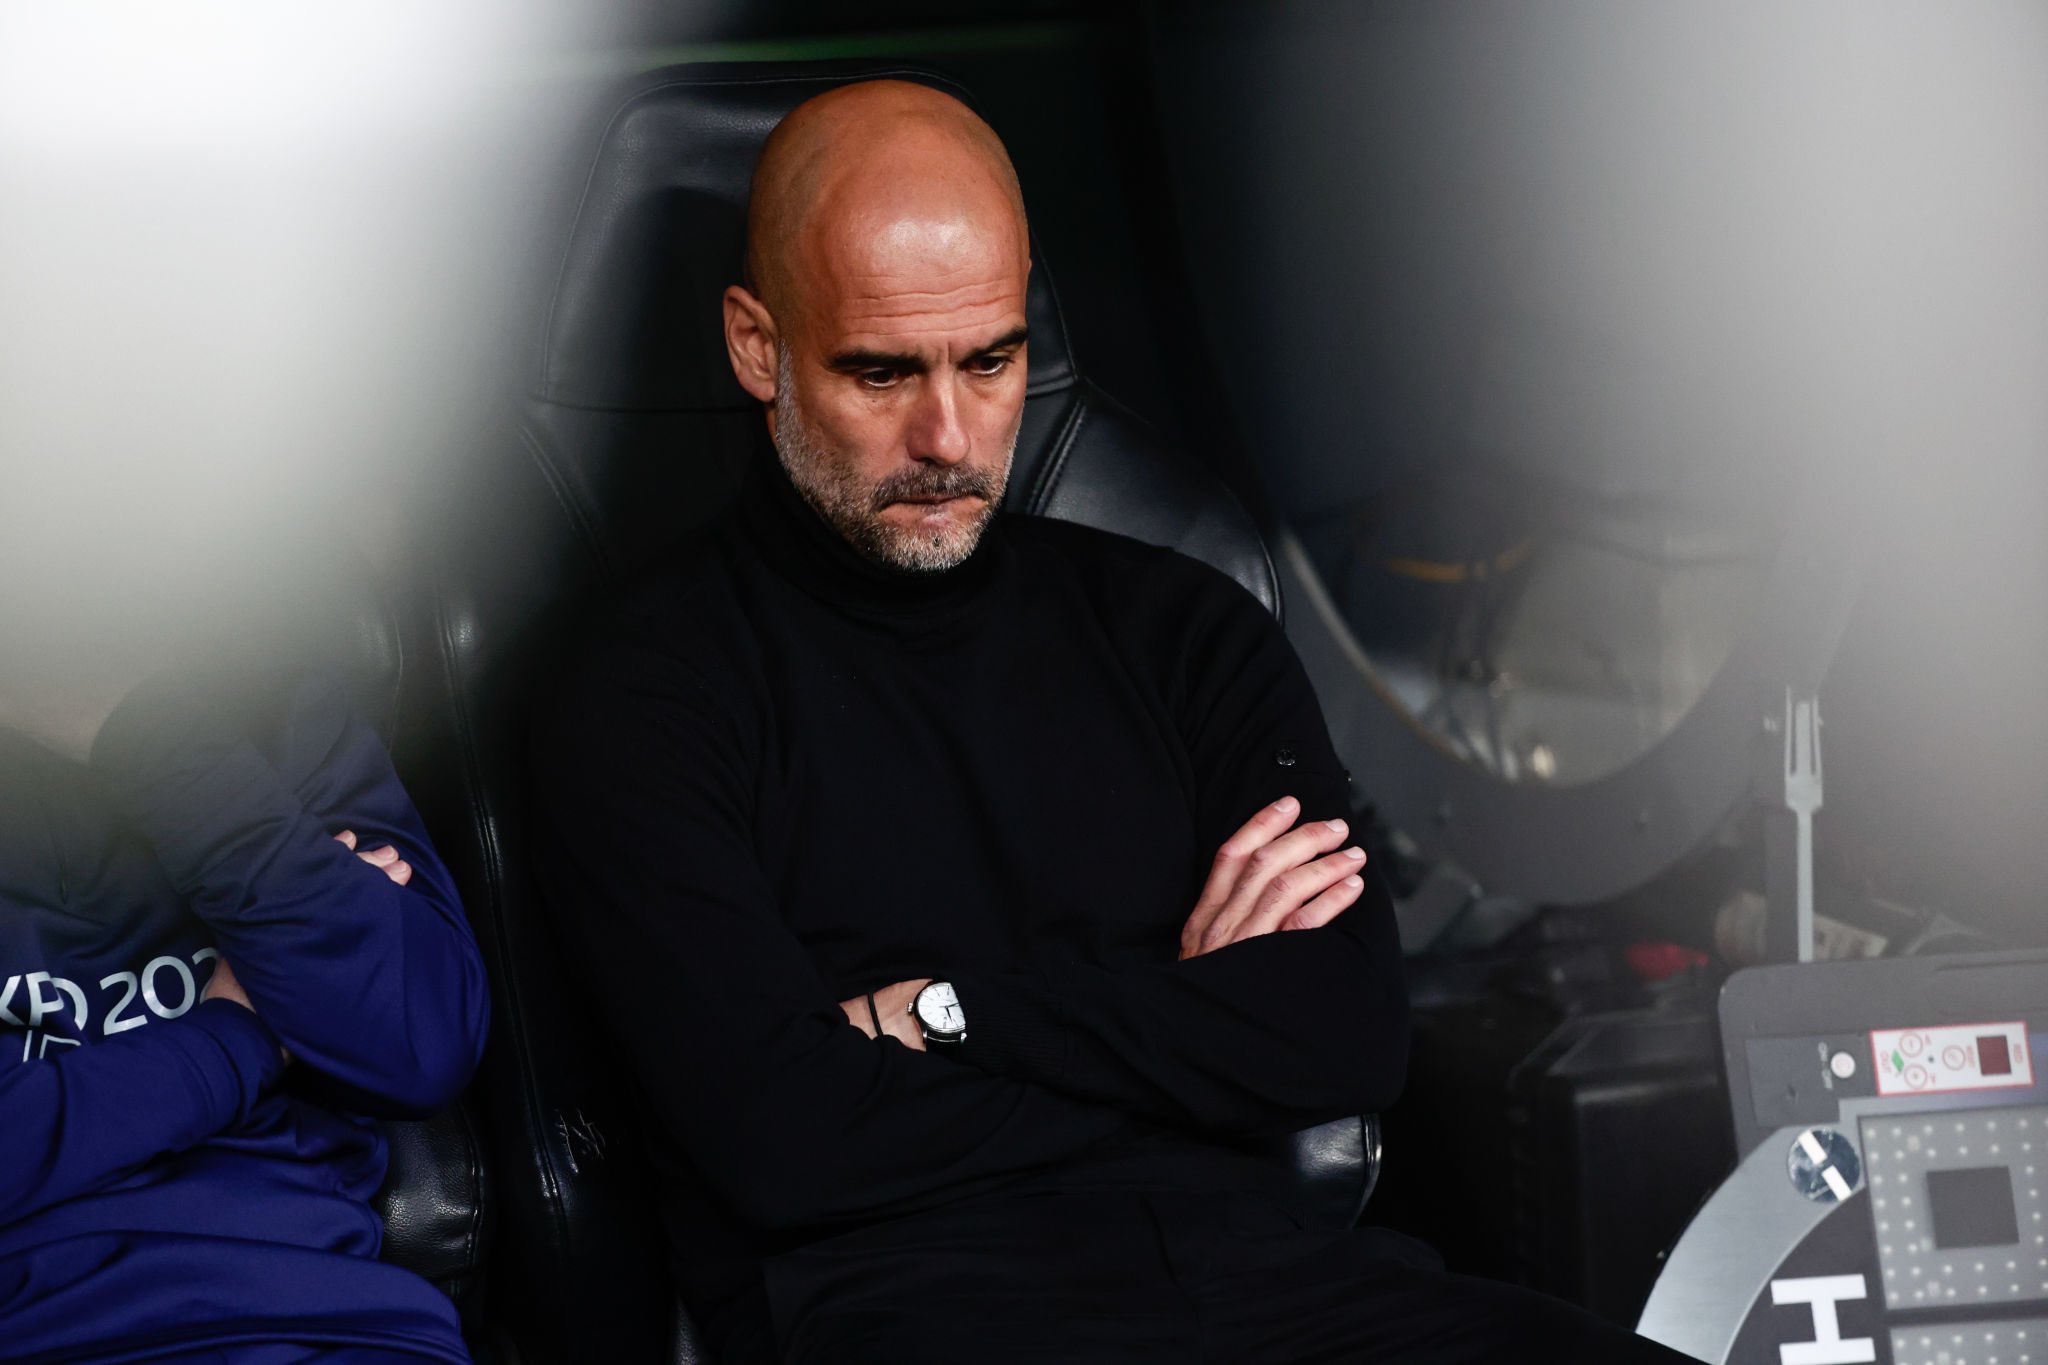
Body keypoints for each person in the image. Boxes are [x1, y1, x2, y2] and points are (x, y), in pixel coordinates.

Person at [532, 79, 1690, 1363]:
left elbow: (1344, 1034)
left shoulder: (1182, 626)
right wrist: (1184, 1025)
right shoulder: (645, 689)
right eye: (881, 372)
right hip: (919, 1315)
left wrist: (941, 1018)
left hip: (1286, 1293)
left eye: (990, 360)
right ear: (758, 348)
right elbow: (782, 1138)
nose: (947, 435)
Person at [0, 657, 491, 1363]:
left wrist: (135, 728)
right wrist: (238, 1038)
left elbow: (419, 1045)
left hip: (324, 1325)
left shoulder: (275, 697)